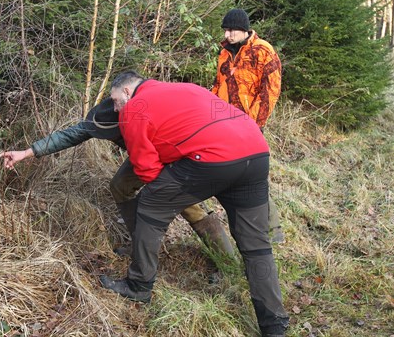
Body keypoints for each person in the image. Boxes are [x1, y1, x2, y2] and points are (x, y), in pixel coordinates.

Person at [100, 71, 289, 337]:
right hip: (256, 151)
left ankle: (139, 285)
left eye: (116, 100)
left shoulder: (134, 108)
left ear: (128, 92)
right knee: (256, 245)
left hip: (212, 160)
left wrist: (170, 198)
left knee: (149, 206)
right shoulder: (187, 88)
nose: (115, 107)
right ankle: (274, 324)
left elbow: (146, 169)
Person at [0, 98, 235, 258]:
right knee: (120, 185)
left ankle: (227, 260)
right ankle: (140, 245)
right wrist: (27, 152)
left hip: (169, 153)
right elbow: (70, 135)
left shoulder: (144, 114)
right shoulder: (106, 114)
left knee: (188, 205)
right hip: (142, 155)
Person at [212, 8, 284, 243]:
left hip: (250, 124)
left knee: (254, 177)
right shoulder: (224, 52)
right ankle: (243, 227)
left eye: (232, 29)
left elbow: (270, 92)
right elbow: (217, 85)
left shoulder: (263, 51)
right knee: (231, 173)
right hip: (224, 123)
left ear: (244, 29)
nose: (228, 34)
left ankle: (273, 230)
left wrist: (253, 124)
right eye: (225, 29)